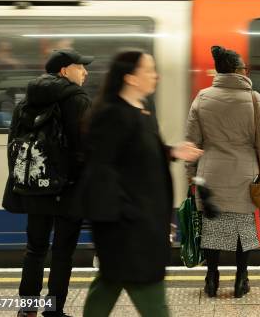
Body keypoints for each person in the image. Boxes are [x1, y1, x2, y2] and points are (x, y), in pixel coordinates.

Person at [74, 50, 201, 317]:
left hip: (139, 219)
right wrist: (135, 217)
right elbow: (101, 172)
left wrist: (171, 152)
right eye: (149, 70)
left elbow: (134, 155)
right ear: (131, 78)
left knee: (110, 282)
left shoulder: (140, 112)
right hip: (127, 225)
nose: (155, 75)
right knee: (148, 289)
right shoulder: (112, 115)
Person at [2, 49, 94, 317]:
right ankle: (54, 311)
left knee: (35, 249)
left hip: (35, 187)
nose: (85, 72)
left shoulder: (24, 102)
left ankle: (27, 310)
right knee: (63, 254)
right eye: (81, 67)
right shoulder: (78, 100)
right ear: (65, 71)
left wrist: (27, 181)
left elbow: (13, 147)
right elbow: (84, 147)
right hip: (68, 188)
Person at [185, 45, 260, 298]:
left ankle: (211, 278)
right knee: (243, 230)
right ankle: (240, 279)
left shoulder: (202, 97)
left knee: (212, 230)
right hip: (245, 175)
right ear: (237, 70)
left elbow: (192, 142)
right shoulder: (254, 99)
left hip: (210, 173)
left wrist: (191, 174)